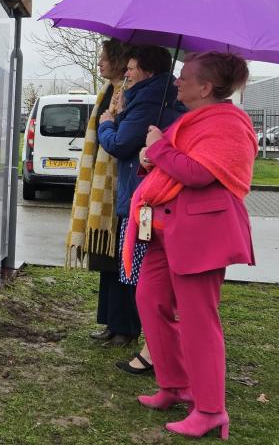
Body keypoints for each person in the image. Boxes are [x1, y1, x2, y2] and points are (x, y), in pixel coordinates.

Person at [125, 51, 256, 440]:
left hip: (202, 233)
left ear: (206, 87)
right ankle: (175, 385)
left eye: (185, 77)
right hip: (167, 227)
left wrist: (160, 148)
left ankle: (212, 409)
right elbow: (176, 166)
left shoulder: (230, 123)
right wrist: (154, 156)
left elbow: (198, 173)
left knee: (200, 322)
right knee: (150, 302)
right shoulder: (193, 119)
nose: (177, 82)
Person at [96, 45, 186, 356]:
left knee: (138, 263)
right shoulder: (152, 98)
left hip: (143, 197)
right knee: (134, 262)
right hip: (142, 194)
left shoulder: (150, 102)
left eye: (132, 68)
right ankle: (126, 327)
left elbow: (120, 145)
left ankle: (139, 333)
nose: (128, 73)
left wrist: (106, 123)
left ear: (147, 71)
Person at [66, 39, 142, 352]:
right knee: (107, 261)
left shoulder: (127, 93)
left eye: (103, 58)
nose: (99, 63)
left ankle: (126, 328)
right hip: (103, 181)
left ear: (119, 61)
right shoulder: (107, 92)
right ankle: (111, 323)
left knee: (121, 260)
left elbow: (120, 138)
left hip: (117, 185)